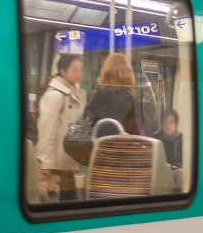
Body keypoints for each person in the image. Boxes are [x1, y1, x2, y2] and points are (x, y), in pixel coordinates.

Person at [36, 54, 86, 201]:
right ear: (63, 71)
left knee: (67, 204)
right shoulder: (55, 95)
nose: (79, 74)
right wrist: (46, 164)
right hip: (56, 165)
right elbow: (47, 130)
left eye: (80, 69)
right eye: (74, 69)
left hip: (66, 161)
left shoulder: (70, 93)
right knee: (61, 204)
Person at [86, 53, 143, 136]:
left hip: (96, 145)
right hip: (117, 146)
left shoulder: (95, 96)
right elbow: (136, 130)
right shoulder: (127, 98)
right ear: (128, 74)